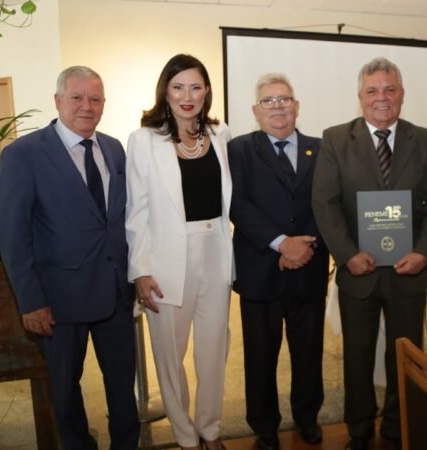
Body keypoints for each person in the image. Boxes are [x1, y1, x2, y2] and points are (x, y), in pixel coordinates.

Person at [0, 66, 140, 450]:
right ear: (57, 100)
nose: (86, 106)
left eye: (95, 99)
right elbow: (13, 236)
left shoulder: (113, 148)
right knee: (65, 391)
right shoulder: (22, 155)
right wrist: (31, 301)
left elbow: (121, 221)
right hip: (58, 301)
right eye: (77, 97)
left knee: (124, 388)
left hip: (115, 293)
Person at [312, 57, 427, 450]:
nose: (382, 98)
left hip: (408, 270)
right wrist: (348, 254)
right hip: (359, 270)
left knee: (405, 357)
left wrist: (424, 253)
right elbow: (325, 203)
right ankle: (358, 429)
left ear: (402, 95)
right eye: (373, 90)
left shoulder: (425, 140)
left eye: (390, 89)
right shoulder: (336, 139)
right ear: (360, 97)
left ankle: (397, 425)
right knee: (356, 355)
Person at [125, 54, 233, 450]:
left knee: (213, 350)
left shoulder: (221, 136)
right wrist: (140, 269)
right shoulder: (143, 140)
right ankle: (186, 437)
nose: (187, 96)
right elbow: (135, 211)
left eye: (196, 86)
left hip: (216, 253)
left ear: (206, 91)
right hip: (166, 258)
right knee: (171, 356)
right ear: (165, 92)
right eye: (178, 87)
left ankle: (210, 429)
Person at [227, 73, 329, 450]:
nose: (277, 107)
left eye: (284, 99)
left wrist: (304, 247)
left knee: (308, 353)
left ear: (297, 106)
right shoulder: (238, 150)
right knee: (260, 356)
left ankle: (308, 418)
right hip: (260, 271)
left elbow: (328, 203)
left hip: (310, 267)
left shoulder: (322, 149)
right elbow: (239, 205)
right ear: (256, 110)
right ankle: (264, 426)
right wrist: (282, 244)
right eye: (268, 101)